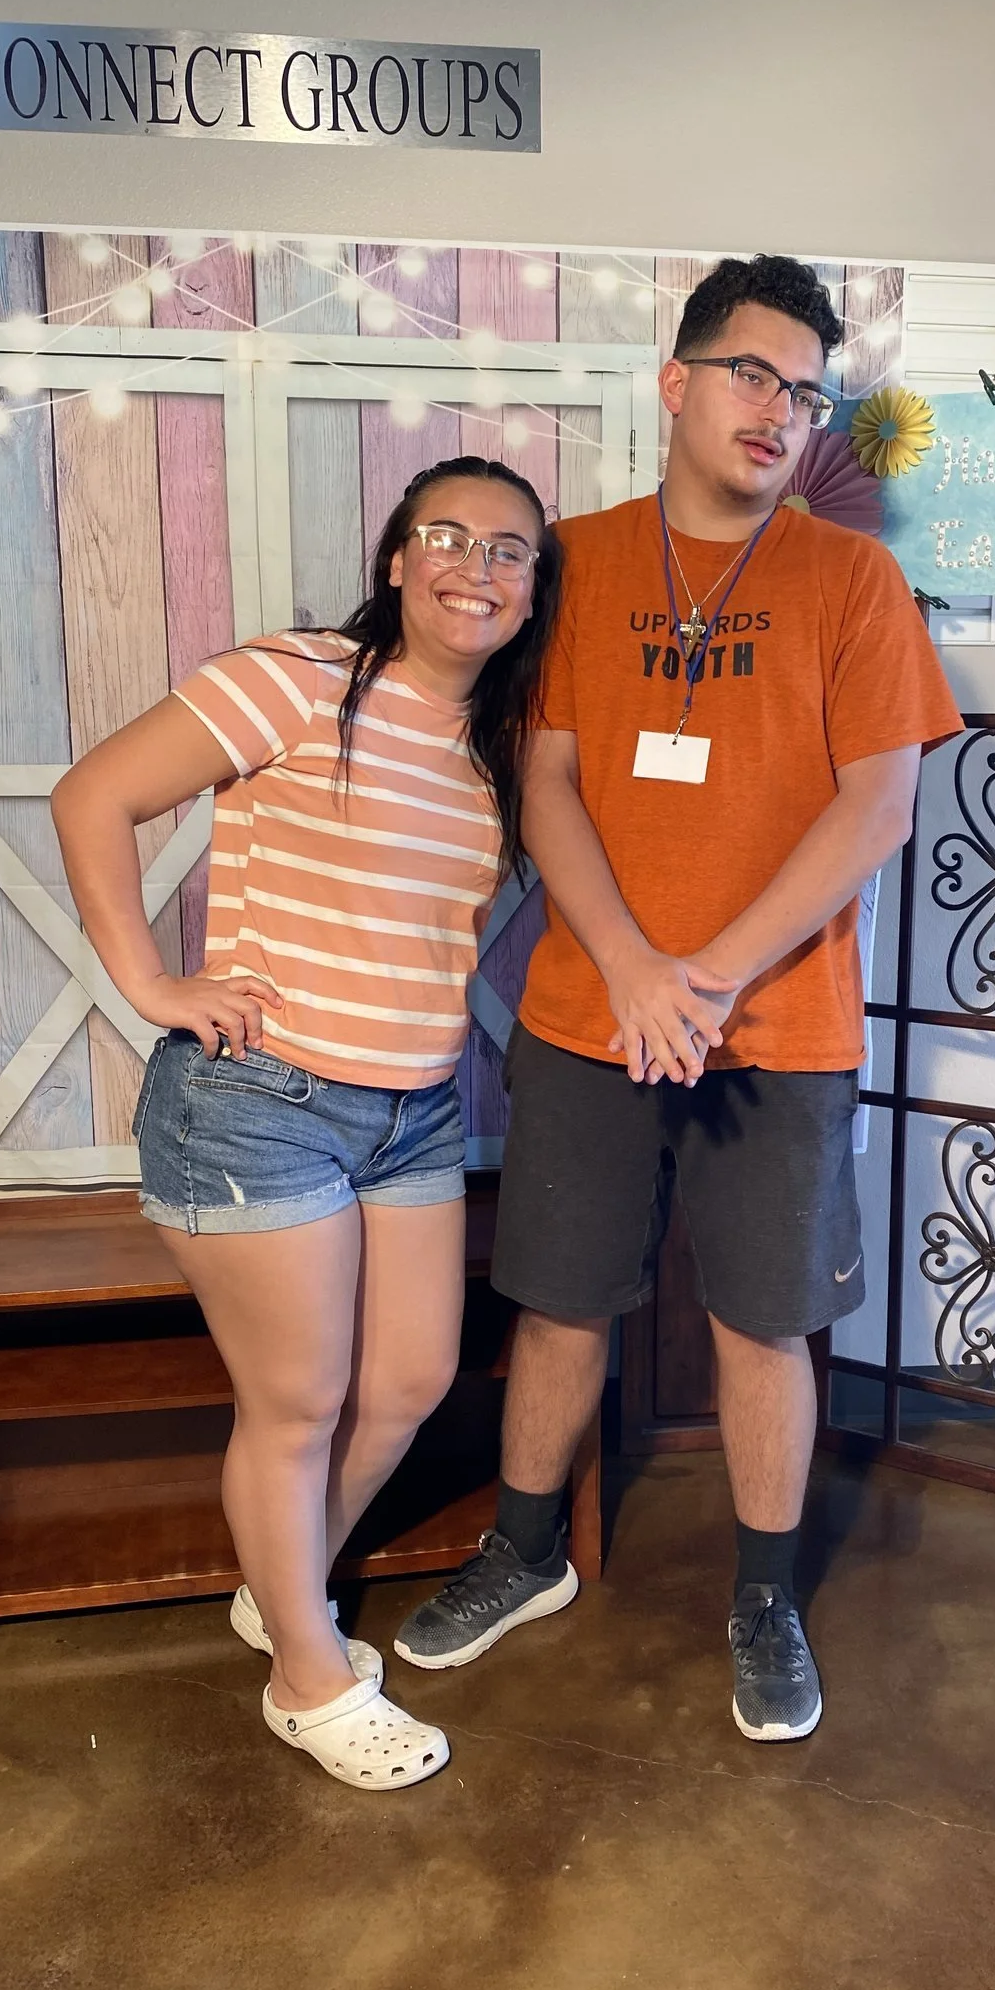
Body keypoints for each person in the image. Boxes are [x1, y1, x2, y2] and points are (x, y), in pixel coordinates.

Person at [395, 256, 964, 1741]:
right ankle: (523, 1553)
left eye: (805, 389)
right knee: (560, 1298)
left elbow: (874, 810)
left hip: (777, 1025)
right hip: (593, 1011)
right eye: (751, 375)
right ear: (677, 381)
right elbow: (549, 778)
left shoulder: (851, 580)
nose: (779, 410)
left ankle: (763, 1596)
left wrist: (705, 976)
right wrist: (640, 972)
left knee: (763, 1323)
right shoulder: (569, 561)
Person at [53, 457, 560, 1792]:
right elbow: (91, 795)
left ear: (532, 590)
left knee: (405, 1383)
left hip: (413, 1106)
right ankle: (304, 1672)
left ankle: (280, 1590)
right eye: (447, 536)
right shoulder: (293, 678)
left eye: (511, 551)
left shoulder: (499, 742)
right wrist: (152, 983)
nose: (478, 565)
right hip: (258, 1103)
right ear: (397, 558)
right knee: (298, 1402)